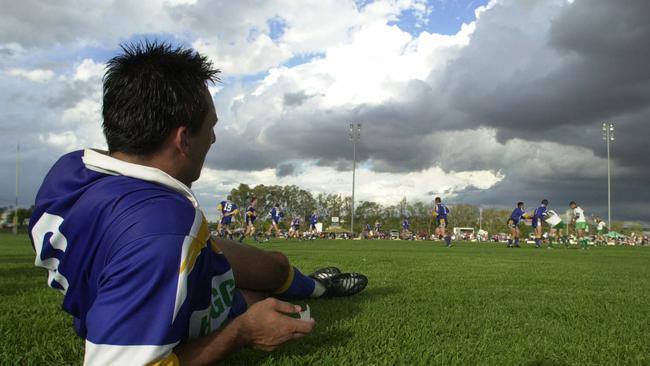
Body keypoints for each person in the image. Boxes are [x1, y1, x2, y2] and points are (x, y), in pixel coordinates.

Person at [27, 42, 367, 366]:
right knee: (256, 301)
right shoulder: (163, 231)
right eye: (211, 126)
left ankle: (317, 286)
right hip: (154, 272)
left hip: (125, 270)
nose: (215, 137)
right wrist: (243, 332)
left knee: (275, 266)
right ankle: (317, 290)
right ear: (183, 138)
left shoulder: (69, 169)